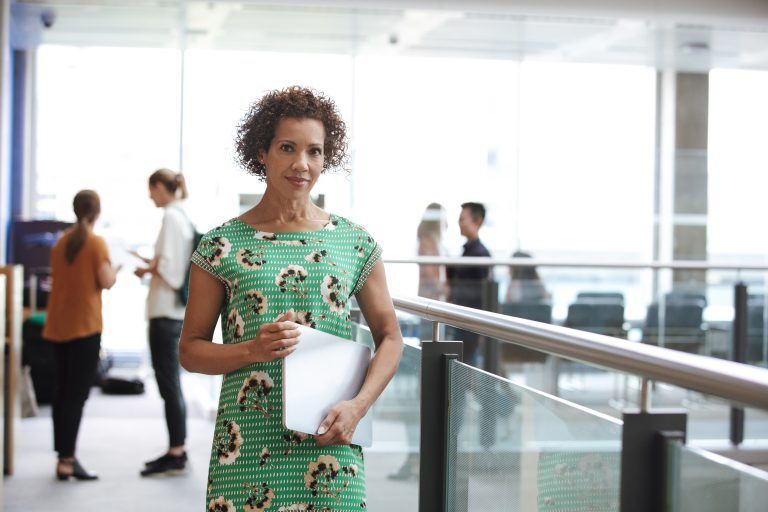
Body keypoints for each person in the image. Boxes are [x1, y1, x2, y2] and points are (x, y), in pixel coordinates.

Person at [179, 86, 403, 511]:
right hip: (245, 446)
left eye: (314, 152)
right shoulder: (220, 246)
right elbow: (190, 351)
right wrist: (251, 350)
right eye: (287, 148)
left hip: (331, 438)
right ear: (261, 152)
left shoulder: (354, 243)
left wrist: (358, 407)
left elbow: (391, 336)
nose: (302, 164)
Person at [43, 190, 120, 480]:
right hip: (85, 327)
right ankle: (67, 459)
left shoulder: (61, 241)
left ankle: (61, 456)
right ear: (96, 212)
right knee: (76, 396)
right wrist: (114, 271)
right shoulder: (96, 242)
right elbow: (106, 281)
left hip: (57, 325)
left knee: (61, 393)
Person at [133, 169, 194, 477]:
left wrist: (149, 269)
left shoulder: (170, 217)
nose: (149, 196)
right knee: (171, 383)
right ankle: (176, 447)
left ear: (159, 186)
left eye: (151, 189)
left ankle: (177, 451)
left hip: (165, 313)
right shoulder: (180, 216)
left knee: (168, 383)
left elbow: (170, 270)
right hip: (173, 313)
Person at [446, 202, 491, 366]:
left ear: (477, 221)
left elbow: (483, 294)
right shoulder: (468, 252)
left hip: (471, 322)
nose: (460, 223)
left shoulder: (479, 254)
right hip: (464, 319)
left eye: (462, 219)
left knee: (466, 366)